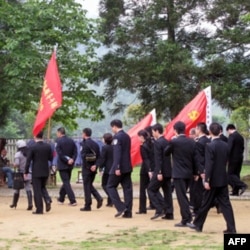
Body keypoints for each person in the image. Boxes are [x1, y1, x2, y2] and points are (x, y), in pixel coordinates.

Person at [187, 123, 237, 234]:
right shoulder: (225, 145)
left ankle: (198, 225)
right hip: (223, 179)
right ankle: (231, 228)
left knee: (205, 203)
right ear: (220, 132)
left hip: (213, 180)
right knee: (226, 205)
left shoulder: (210, 146)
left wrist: (206, 180)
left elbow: (209, 165)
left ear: (209, 132)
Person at [164, 121, 197, 227]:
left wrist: (171, 140)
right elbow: (195, 158)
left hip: (178, 173)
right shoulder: (191, 142)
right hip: (189, 172)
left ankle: (186, 219)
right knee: (184, 195)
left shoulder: (174, 142)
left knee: (181, 196)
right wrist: (196, 172)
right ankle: (187, 217)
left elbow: (166, 152)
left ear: (175, 130)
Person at [107, 119, 133, 218]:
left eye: (112, 127)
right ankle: (128, 211)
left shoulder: (117, 137)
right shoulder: (127, 136)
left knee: (110, 186)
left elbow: (117, 153)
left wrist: (117, 167)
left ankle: (121, 207)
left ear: (114, 126)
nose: (112, 129)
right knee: (127, 189)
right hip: (127, 166)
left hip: (119, 166)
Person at [147, 123, 173, 220]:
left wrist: (159, 172)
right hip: (168, 171)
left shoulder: (158, 143)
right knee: (167, 192)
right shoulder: (167, 141)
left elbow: (159, 159)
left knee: (151, 189)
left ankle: (159, 209)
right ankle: (169, 213)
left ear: (157, 131)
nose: (152, 134)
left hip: (161, 171)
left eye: (153, 132)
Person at [24, 131, 53, 214]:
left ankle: (39, 209)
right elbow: (50, 158)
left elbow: (28, 160)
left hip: (36, 170)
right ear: (42, 137)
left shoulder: (32, 147)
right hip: (45, 169)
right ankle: (47, 199)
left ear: (35, 137)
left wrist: (26, 171)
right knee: (43, 187)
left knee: (37, 190)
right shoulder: (48, 146)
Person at [80, 128, 103, 211]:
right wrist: (95, 166)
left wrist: (89, 167)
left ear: (84, 134)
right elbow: (99, 157)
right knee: (89, 185)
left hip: (87, 168)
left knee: (86, 186)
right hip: (93, 168)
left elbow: (83, 157)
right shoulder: (95, 144)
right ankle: (98, 198)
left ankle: (88, 205)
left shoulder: (84, 144)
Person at [192, 122, 211, 215]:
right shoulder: (208, 140)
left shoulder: (200, 142)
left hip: (202, 169)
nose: (195, 130)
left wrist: (199, 171)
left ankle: (197, 210)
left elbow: (199, 158)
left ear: (199, 129)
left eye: (196, 129)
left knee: (198, 191)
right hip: (208, 168)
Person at [56, 127, 78, 206]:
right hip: (70, 165)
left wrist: (66, 160)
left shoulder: (58, 141)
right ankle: (61, 198)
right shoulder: (71, 141)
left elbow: (60, 153)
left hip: (63, 164)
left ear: (59, 133)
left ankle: (72, 200)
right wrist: (72, 159)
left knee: (66, 182)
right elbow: (75, 151)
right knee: (66, 182)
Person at [135, 129, 154, 214]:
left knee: (142, 189)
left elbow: (145, 159)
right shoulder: (152, 144)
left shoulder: (143, 146)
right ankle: (153, 204)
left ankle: (142, 208)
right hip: (152, 168)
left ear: (142, 137)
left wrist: (148, 169)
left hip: (145, 170)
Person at [10, 140, 33, 210]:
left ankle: (14, 203)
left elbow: (16, 164)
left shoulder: (18, 154)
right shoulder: (29, 153)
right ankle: (30, 204)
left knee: (17, 189)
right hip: (28, 172)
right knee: (28, 188)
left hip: (20, 174)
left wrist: (13, 164)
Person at [226, 124, 247, 196]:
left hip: (233, 159)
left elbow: (229, 148)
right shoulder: (240, 137)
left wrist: (226, 157)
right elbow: (242, 148)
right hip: (240, 158)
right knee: (236, 174)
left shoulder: (232, 136)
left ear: (229, 129)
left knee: (229, 175)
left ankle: (242, 185)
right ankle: (235, 191)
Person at [96, 133, 114, 207]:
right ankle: (110, 201)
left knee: (104, 185)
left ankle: (112, 198)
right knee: (110, 185)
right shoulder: (114, 147)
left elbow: (103, 159)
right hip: (113, 168)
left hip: (107, 168)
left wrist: (100, 168)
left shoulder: (104, 148)